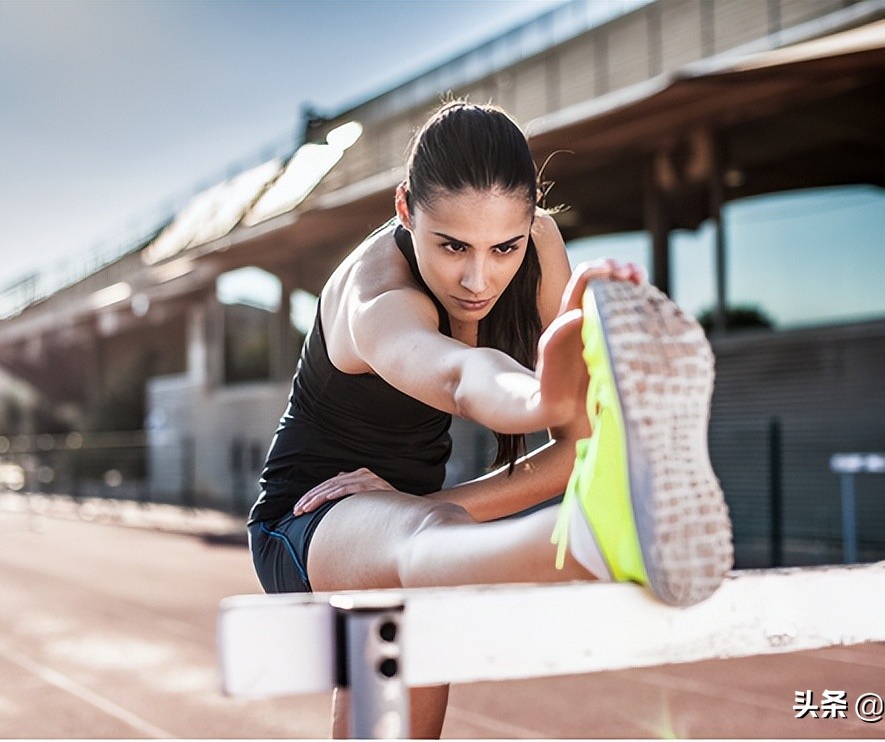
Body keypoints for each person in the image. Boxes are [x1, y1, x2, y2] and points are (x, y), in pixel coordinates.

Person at [246, 101, 732, 738]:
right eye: (452, 246)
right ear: (404, 210)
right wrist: (544, 398)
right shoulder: (376, 295)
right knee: (424, 539)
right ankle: (584, 541)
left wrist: (572, 392)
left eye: (505, 246)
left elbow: (570, 456)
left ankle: (584, 524)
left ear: (531, 222)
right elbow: (459, 375)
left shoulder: (541, 248)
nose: (479, 279)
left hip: (427, 533)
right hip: (306, 522)